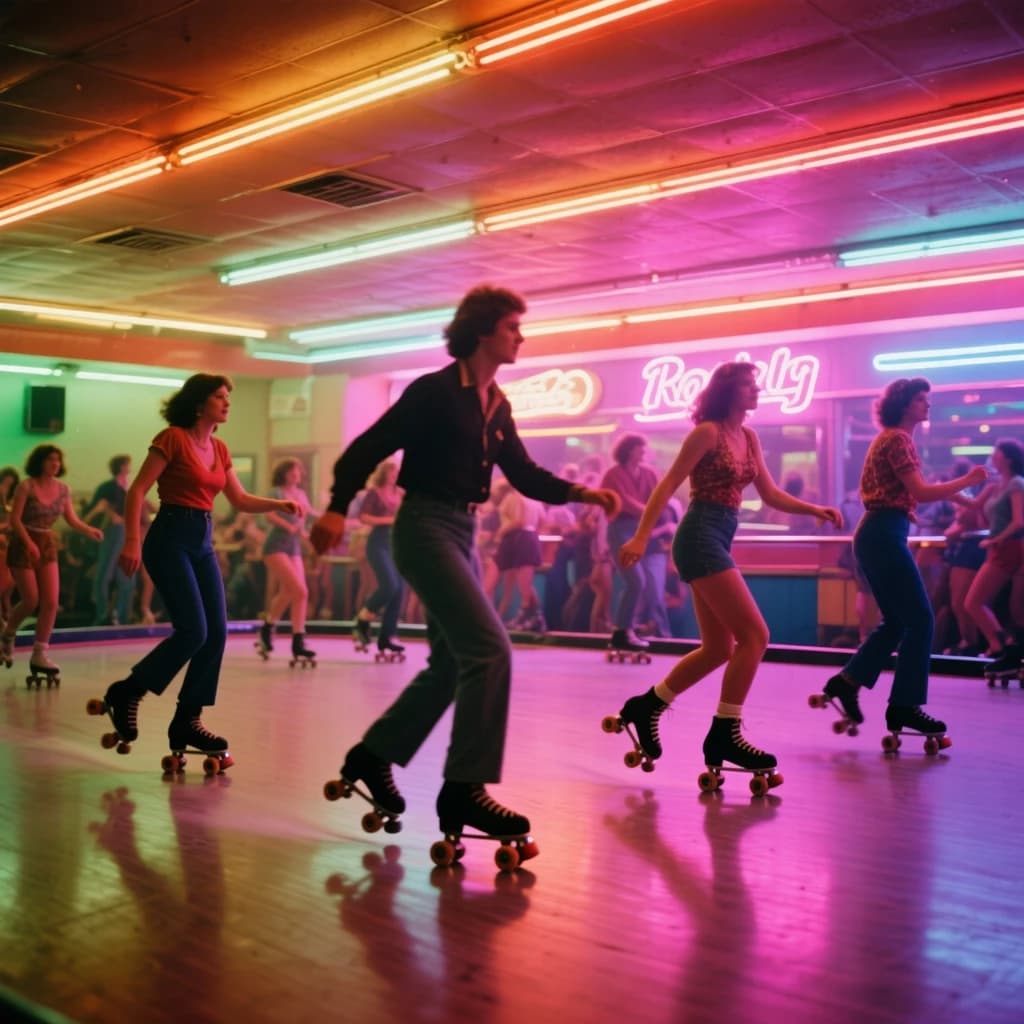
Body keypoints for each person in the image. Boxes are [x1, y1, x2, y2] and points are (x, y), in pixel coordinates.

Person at [310, 285, 618, 849]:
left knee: (453, 663)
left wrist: (580, 491)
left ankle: (374, 754)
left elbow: (523, 474)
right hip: (423, 526)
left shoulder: (498, 405)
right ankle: (465, 789)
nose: (520, 337)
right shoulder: (432, 393)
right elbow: (366, 447)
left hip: (464, 530)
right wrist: (335, 508)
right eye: (511, 328)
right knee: (490, 649)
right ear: (482, 333)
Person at [614, 362, 841, 774]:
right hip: (700, 534)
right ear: (728, 391)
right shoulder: (707, 433)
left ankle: (646, 706)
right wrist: (642, 536)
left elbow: (769, 494)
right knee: (755, 635)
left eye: (755, 384)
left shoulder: (749, 437)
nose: (756, 390)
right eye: (748, 385)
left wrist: (812, 509)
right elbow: (668, 485)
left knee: (719, 649)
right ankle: (725, 732)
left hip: (719, 536)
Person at [91, 374, 299, 758]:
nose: (227, 403)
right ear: (199, 403)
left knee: (216, 632)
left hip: (203, 538)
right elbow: (137, 489)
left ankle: (188, 718)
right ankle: (128, 692)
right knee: (193, 631)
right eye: (219, 397)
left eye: (228, 397)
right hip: (169, 535)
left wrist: (276, 504)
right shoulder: (172, 438)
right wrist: (133, 541)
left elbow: (237, 498)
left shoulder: (219, 448)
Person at [819, 378, 987, 739]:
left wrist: (966, 501)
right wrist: (967, 480)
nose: (928, 405)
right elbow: (921, 491)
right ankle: (905, 706)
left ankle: (848, 682)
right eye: (922, 400)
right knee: (921, 619)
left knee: (897, 621)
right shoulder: (897, 439)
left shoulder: (897, 440)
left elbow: (905, 492)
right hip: (882, 534)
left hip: (881, 532)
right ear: (905, 404)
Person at [1, 445, 103, 680]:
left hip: (46, 543)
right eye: (50, 459)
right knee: (30, 599)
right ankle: (8, 633)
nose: (55, 463)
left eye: (58, 460)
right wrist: (28, 542)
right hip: (24, 541)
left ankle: (40, 652)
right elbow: (14, 519)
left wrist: (89, 530)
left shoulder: (63, 489)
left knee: (50, 601)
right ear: (40, 462)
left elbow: (71, 518)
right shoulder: (27, 486)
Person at [601, 434, 672, 653]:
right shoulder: (612, 475)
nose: (644, 452)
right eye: (640, 448)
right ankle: (623, 631)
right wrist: (650, 510)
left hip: (643, 530)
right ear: (629, 450)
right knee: (636, 581)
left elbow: (660, 496)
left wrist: (656, 512)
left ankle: (623, 632)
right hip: (621, 530)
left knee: (641, 583)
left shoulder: (649, 473)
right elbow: (621, 502)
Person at [963, 439, 1024, 674]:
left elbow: (1019, 521)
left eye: (996, 452)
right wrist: (951, 490)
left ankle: (1004, 647)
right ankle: (1004, 647)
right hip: (999, 548)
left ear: (1007, 458)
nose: (993, 456)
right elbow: (974, 504)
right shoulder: (996, 485)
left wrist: (995, 540)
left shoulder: (1016, 484)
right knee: (980, 603)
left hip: (1008, 548)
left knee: (974, 602)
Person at [258, 457, 317, 664]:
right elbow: (269, 515)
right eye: (293, 471)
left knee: (294, 592)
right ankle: (294, 640)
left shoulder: (301, 494)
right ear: (284, 473)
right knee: (299, 590)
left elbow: (307, 517)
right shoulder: (276, 492)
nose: (297, 475)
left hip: (293, 547)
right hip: (275, 546)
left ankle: (273, 629)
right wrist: (288, 526)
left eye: (298, 471)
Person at [352, 460, 407, 659]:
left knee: (400, 590)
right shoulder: (374, 492)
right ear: (383, 473)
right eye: (391, 472)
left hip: (396, 543)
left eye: (396, 472)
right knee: (389, 585)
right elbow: (364, 517)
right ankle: (362, 619)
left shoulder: (400, 493)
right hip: (378, 542)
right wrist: (389, 520)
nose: (394, 475)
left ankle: (388, 636)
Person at [85, 454, 136, 626]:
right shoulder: (109, 487)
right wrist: (111, 514)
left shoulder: (127, 487)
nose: (130, 467)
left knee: (126, 573)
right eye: (128, 464)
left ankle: (120, 616)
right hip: (113, 531)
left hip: (125, 531)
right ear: (122, 466)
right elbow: (97, 508)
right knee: (105, 573)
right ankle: (103, 614)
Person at [0, 465, 19, 639]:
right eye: (5, 483)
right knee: (5, 583)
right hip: (2, 543)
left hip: (7, 543)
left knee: (8, 584)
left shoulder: (10, 500)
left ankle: (7, 617)